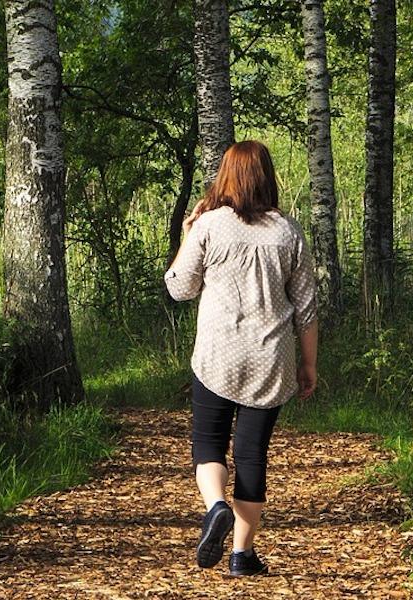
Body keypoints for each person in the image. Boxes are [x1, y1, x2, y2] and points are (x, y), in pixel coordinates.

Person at [164, 140, 319, 577]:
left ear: (226, 177)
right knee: (252, 456)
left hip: (218, 356)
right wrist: (309, 365)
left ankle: (215, 506)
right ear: (267, 176)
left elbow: (179, 287)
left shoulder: (211, 226)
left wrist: (189, 234)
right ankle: (241, 555)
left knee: (208, 443)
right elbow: (306, 307)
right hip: (271, 360)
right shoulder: (288, 232)